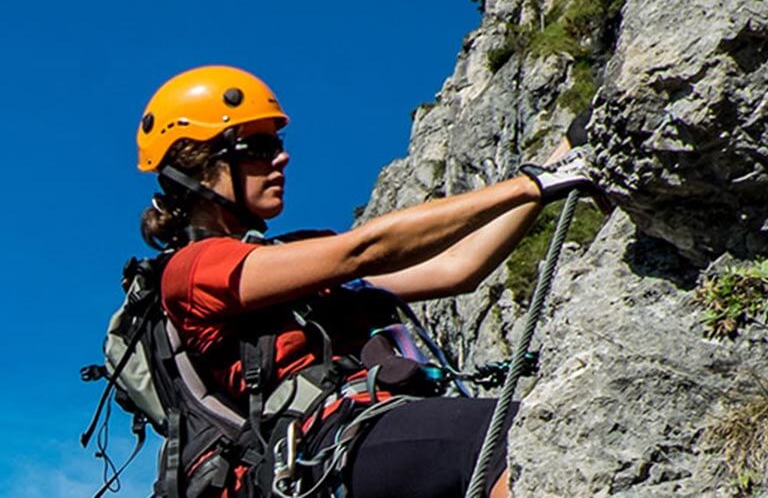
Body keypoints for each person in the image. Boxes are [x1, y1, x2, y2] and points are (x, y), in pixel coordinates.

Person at [136, 65, 601, 498]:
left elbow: (458, 267)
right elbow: (362, 250)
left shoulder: (287, 262)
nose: (281, 158)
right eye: (257, 148)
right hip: (317, 445)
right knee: (509, 436)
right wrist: (527, 186)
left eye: (276, 145)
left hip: (356, 438)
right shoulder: (193, 270)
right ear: (198, 166)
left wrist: (560, 157)